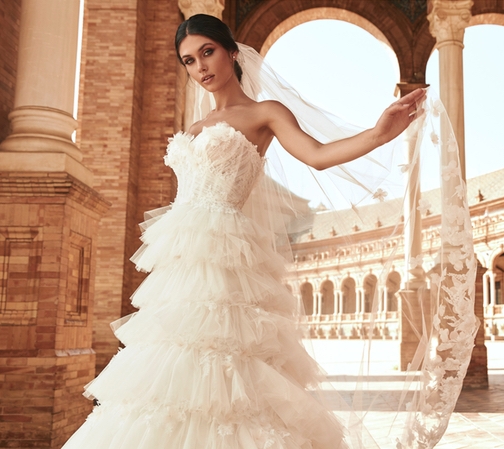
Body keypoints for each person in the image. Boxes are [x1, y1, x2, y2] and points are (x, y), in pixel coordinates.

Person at [62, 14, 476, 449]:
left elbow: (316, 155)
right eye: (189, 60)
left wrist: (377, 134)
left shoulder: (264, 113)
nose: (201, 67)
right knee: (171, 367)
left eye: (208, 52)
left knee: (228, 362)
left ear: (231, 53)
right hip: (182, 259)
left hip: (226, 253)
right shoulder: (194, 129)